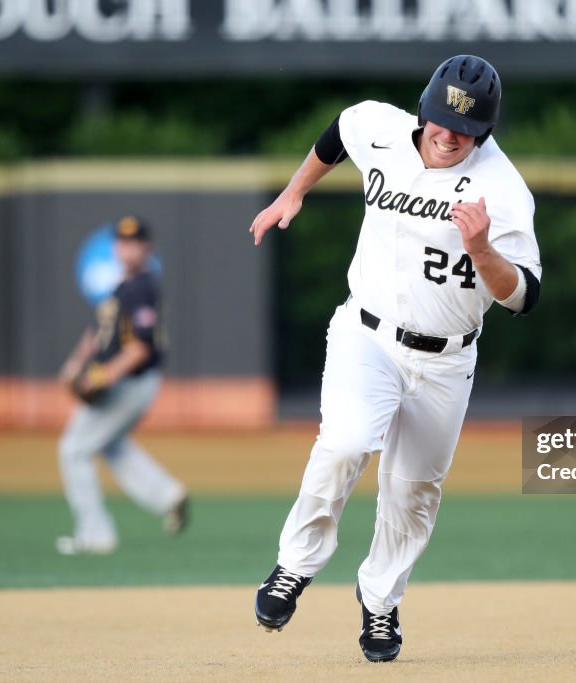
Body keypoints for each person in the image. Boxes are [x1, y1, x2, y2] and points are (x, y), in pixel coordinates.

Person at [249, 55, 541, 662]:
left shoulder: (503, 191)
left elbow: (524, 297)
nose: (447, 134)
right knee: (347, 442)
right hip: (369, 333)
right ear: (423, 109)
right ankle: (294, 565)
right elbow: (339, 131)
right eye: (439, 119)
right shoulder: (380, 128)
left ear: (484, 132)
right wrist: (292, 192)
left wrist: (482, 250)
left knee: (414, 492)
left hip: (447, 361)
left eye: (464, 129)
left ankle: (379, 601)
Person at [56, 216, 189, 555]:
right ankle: (166, 494)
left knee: (75, 449)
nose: (127, 248)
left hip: (130, 383)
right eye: (122, 242)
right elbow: (98, 333)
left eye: (135, 242)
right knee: (109, 444)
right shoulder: (123, 287)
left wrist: (100, 376)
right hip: (124, 383)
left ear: (148, 248)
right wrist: (75, 364)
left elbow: (140, 348)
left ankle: (96, 533)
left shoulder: (143, 287)